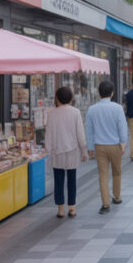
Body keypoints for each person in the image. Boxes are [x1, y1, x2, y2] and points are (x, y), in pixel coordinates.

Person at [86, 80, 128, 215]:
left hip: (100, 146)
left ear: (99, 93)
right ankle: (117, 196)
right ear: (112, 93)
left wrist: (90, 147)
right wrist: (123, 143)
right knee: (117, 172)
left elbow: (89, 130)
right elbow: (122, 127)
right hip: (115, 145)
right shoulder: (118, 108)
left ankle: (105, 204)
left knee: (103, 175)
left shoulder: (92, 109)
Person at [45, 86, 88, 218]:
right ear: (71, 98)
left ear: (57, 99)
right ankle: (72, 208)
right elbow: (80, 134)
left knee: (58, 181)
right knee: (72, 180)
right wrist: (84, 150)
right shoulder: (75, 112)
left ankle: (60, 209)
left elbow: (48, 135)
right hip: (72, 151)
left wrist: (48, 151)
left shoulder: (51, 113)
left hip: (57, 151)